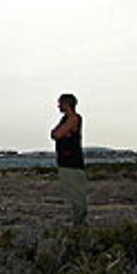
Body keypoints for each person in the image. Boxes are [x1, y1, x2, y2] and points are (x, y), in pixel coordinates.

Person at [50, 93, 87, 225]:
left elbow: (57, 134)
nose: (58, 106)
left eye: (60, 103)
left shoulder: (73, 118)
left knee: (77, 194)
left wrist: (59, 132)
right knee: (72, 194)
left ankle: (80, 223)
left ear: (66, 104)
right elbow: (55, 133)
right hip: (66, 162)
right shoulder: (66, 119)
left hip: (72, 162)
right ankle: (78, 221)